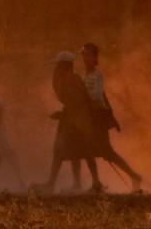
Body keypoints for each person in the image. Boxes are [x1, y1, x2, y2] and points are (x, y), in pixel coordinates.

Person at [33, 51, 102, 194]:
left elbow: (78, 102)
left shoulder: (72, 79)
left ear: (63, 66)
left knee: (61, 151)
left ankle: (52, 185)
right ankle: (81, 184)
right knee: (76, 153)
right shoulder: (67, 79)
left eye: (58, 65)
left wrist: (62, 114)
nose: (56, 68)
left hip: (78, 120)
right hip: (74, 119)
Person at [79, 42, 142, 192]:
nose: (85, 58)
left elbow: (96, 97)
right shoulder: (86, 76)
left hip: (97, 116)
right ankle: (96, 183)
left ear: (95, 58)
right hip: (91, 116)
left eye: (88, 55)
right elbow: (102, 96)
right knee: (87, 149)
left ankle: (134, 176)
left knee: (108, 153)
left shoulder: (96, 75)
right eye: (84, 55)